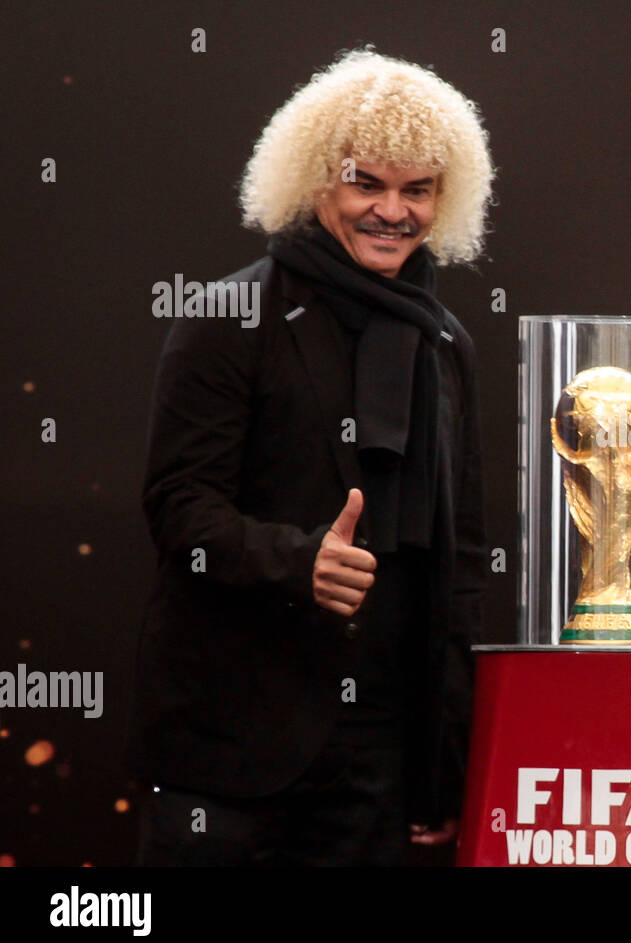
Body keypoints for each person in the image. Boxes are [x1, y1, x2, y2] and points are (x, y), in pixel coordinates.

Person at [128, 48, 495, 865]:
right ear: (314, 182)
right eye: (366, 183)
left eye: (417, 189)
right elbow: (178, 509)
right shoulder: (228, 314)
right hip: (227, 752)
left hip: (381, 767)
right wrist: (301, 564)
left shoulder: (445, 343)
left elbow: (461, 567)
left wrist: (445, 763)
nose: (391, 211)